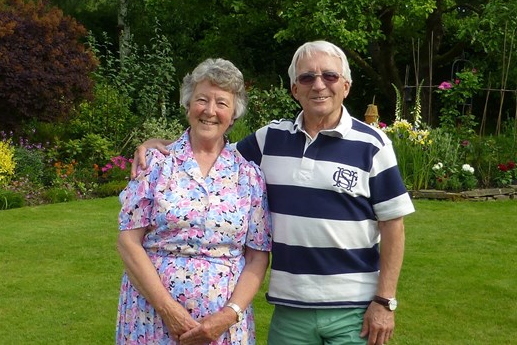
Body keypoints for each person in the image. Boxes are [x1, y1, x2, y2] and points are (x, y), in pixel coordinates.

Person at [132, 41, 415, 345]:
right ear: (295, 89)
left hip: (354, 311)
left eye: (329, 76)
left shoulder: (373, 144)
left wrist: (385, 301)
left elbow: (392, 224)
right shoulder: (270, 139)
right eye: (307, 78)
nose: (318, 85)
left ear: (346, 85)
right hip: (290, 310)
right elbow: (209, 146)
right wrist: (156, 144)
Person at [116, 58, 272, 345]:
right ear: (188, 106)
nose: (210, 111)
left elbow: (257, 256)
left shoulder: (249, 176)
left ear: (233, 115)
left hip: (224, 329)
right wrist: (168, 309)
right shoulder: (155, 164)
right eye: (202, 100)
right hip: (151, 317)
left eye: (222, 103)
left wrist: (228, 315)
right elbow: (128, 241)